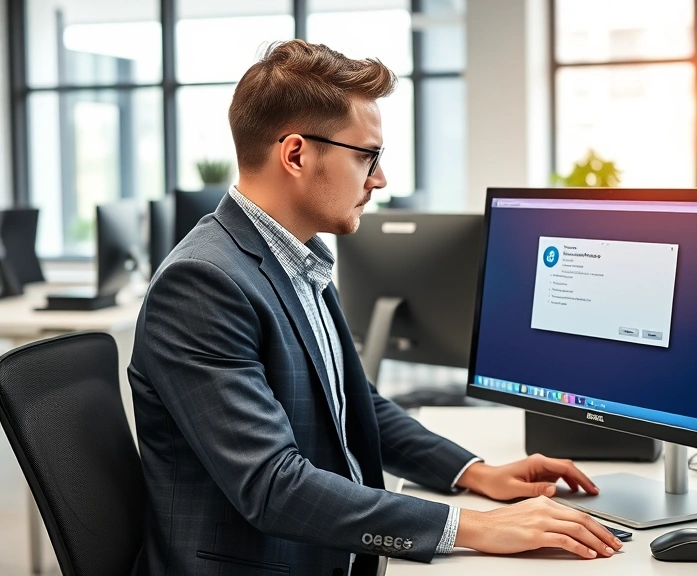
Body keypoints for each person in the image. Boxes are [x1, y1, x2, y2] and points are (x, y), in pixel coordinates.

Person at [128, 39, 622, 576]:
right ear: (295, 154)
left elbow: (353, 404)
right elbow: (272, 486)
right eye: (367, 156)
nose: (380, 179)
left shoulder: (299, 259)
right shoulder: (203, 283)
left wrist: (476, 473)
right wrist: (476, 526)